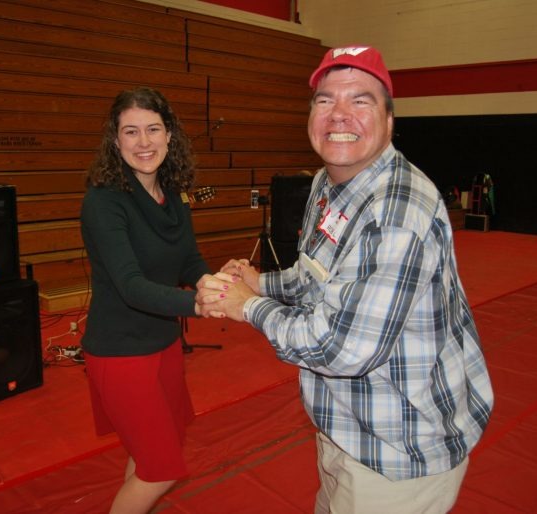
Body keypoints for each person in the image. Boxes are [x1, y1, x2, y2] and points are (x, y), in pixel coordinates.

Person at [196, 46, 494, 513]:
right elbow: (316, 276)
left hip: (399, 449)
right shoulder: (326, 182)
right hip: (346, 426)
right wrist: (260, 283)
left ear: (389, 121)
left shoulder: (396, 213)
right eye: (325, 100)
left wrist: (245, 305)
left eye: (360, 100)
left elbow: (342, 348)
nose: (339, 114)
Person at [80, 87, 210, 514]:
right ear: (115, 140)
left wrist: (212, 281)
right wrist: (199, 305)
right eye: (131, 131)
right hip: (121, 353)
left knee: (150, 456)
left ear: (169, 134)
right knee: (160, 470)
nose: (143, 142)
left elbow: (188, 259)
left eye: (153, 129)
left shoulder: (173, 193)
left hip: (164, 345)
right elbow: (131, 286)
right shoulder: (104, 201)